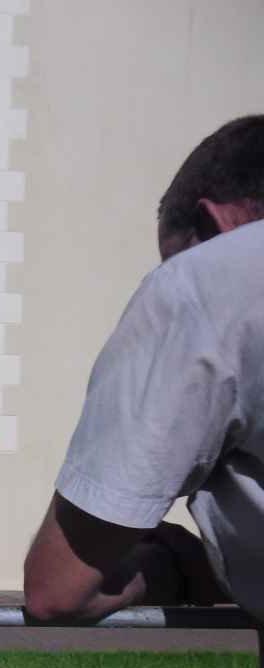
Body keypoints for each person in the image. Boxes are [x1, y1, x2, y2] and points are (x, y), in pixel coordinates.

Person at [23, 115, 264, 623]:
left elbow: (57, 588)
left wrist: (168, 568)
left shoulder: (206, 283)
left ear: (211, 223)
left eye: (175, 259)